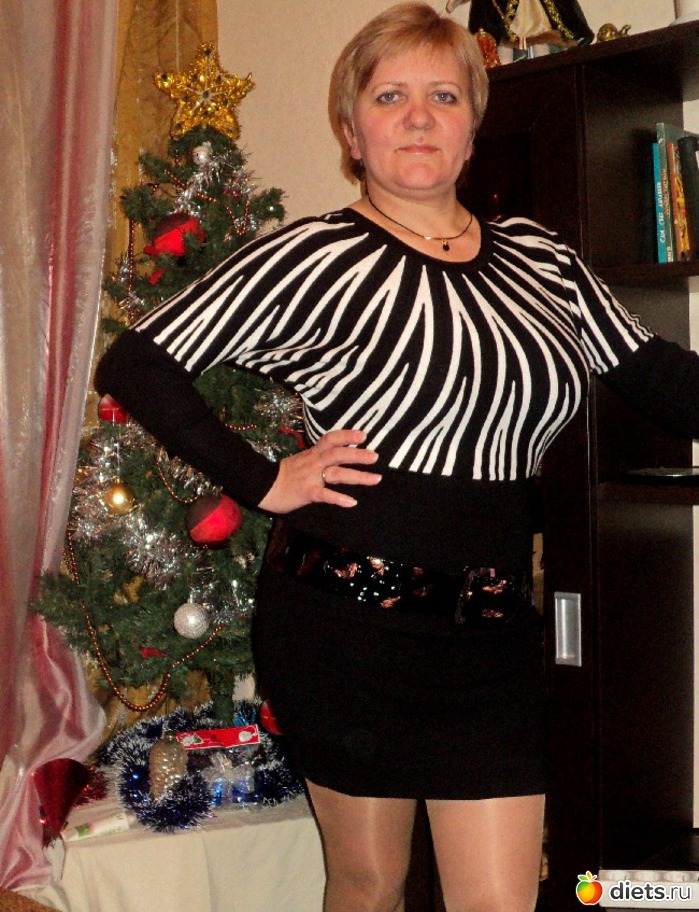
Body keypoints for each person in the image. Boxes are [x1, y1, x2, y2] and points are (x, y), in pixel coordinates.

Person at [95, 4, 699, 911]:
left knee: (498, 901)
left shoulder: (543, 261)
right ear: (352, 131)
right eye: (390, 97)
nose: (418, 117)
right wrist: (263, 479)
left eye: (443, 96)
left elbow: (660, 377)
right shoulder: (312, 255)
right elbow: (139, 363)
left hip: (492, 636)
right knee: (369, 884)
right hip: (344, 631)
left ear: (471, 127)